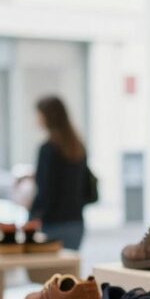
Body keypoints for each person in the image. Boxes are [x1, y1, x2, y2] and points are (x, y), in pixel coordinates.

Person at [30, 96, 90, 250]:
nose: (37, 119)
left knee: (47, 273)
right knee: (67, 272)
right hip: (75, 221)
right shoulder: (77, 147)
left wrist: (32, 217)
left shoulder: (48, 149)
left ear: (47, 117)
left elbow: (46, 191)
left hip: (53, 223)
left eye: (39, 114)